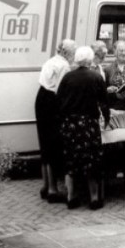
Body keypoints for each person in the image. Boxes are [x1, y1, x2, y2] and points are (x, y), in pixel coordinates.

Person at [57, 46, 110, 210]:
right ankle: (94, 198)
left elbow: (59, 100)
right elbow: (104, 103)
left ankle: (71, 197)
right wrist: (106, 120)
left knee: (71, 162)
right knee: (92, 162)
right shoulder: (95, 77)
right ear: (90, 60)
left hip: (70, 124)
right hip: (88, 125)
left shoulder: (67, 77)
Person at [34, 39, 76, 203]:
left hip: (41, 99)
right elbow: (61, 90)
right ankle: (52, 189)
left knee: (45, 144)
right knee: (53, 146)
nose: (74, 54)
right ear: (67, 52)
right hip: (52, 102)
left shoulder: (51, 60)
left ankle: (46, 186)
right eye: (73, 51)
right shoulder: (64, 66)